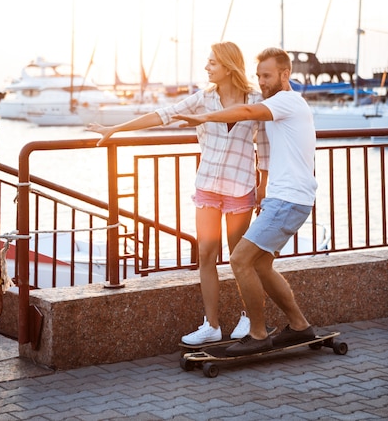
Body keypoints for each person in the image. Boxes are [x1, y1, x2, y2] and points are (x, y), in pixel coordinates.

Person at [86, 41, 269, 345]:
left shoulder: (255, 101)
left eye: (212, 63)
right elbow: (162, 115)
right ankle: (211, 325)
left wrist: (262, 187)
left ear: (228, 66)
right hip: (208, 186)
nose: (207, 67)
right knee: (206, 255)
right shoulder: (203, 99)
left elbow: (264, 148)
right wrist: (116, 129)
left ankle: (248, 317)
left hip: (240, 189)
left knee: (241, 259)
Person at [172, 47, 318, 356]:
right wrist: (263, 187)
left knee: (239, 259)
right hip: (285, 198)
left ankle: (257, 332)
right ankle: (300, 325)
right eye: (259, 76)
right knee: (261, 266)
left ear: (285, 74)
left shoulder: (286, 101)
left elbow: (248, 113)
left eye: (267, 75)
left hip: (289, 201)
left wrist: (204, 116)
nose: (262, 82)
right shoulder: (280, 103)